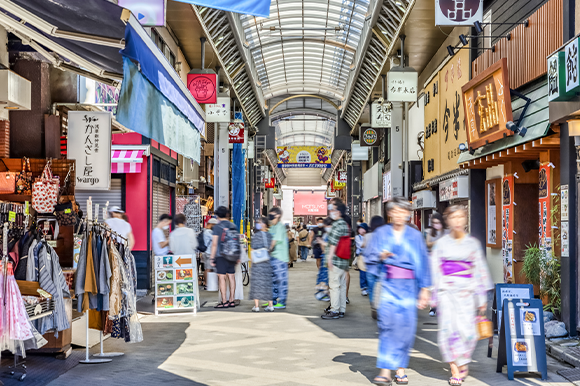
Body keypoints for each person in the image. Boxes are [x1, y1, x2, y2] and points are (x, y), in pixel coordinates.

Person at [366, 198, 431, 386]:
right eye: (395, 211)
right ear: (390, 213)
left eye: (404, 211)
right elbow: (369, 256)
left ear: (408, 213)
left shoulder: (415, 236)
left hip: (409, 288)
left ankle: (400, 368)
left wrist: (425, 289)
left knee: (405, 329)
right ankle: (385, 371)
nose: (400, 215)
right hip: (388, 284)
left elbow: (423, 262)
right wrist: (380, 255)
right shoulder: (381, 233)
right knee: (386, 326)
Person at [431, 206, 492, 385]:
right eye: (453, 217)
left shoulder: (472, 244)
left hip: (466, 293)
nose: (457, 221)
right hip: (447, 293)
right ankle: (454, 369)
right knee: (448, 332)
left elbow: (479, 270)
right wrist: (433, 293)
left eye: (461, 217)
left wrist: (481, 299)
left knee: (467, 333)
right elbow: (435, 269)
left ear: (465, 219)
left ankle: (463, 360)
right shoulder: (441, 244)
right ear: (447, 220)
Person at [321, 203, 350, 320]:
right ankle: (342, 309)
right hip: (344, 260)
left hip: (336, 260)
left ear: (338, 211)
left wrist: (329, 259)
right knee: (342, 285)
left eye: (332, 209)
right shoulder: (344, 224)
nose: (330, 212)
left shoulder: (337, 224)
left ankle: (334, 310)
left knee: (334, 286)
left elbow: (333, 243)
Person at [210, 206, 238, 309]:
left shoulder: (217, 227)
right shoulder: (233, 225)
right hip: (232, 254)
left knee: (222, 278)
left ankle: (224, 301)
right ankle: (232, 300)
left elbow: (214, 244)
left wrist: (212, 258)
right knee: (231, 277)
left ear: (217, 215)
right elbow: (237, 241)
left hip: (220, 256)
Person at [169, 214, 199, 309]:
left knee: (179, 281)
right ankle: (193, 301)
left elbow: (172, 248)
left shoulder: (172, 234)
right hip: (190, 260)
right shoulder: (190, 232)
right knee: (191, 281)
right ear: (184, 221)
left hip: (178, 260)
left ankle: (180, 302)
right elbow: (194, 245)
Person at [250, 217, 274, 312]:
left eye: (259, 222)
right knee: (267, 284)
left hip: (257, 264)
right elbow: (272, 249)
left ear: (264, 224)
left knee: (256, 284)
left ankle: (256, 306)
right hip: (267, 263)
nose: (258, 224)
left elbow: (252, 250)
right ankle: (270, 305)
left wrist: (252, 262)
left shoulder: (256, 236)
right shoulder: (270, 236)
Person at [268, 207, 289, 309]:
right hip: (273, 257)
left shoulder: (280, 227)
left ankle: (282, 301)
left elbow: (273, 242)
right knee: (273, 281)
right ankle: (273, 300)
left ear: (278, 216)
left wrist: (266, 251)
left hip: (280, 258)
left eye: (272, 216)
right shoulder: (272, 227)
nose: (270, 218)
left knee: (281, 280)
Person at [426, 212, 446, 317]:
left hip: (444, 262)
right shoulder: (431, 232)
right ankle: (433, 307)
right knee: (434, 286)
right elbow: (428, 243)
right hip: (433, 261)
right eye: (434, 223)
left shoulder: (447, 232)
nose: (436, 225)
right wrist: (438, 242)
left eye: (438, 223)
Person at [363, 216, 385, 306]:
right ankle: (381, 306)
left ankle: (374, 306)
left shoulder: (368, 236)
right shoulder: (385, 236)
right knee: (381, 288)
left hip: (370, 266)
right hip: (381, 266)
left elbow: (366, 252)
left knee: (372, 289)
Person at [314, 217, 333, 302]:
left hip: (330, 258)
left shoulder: (331, 234)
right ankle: (326, 293)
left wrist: (323, 244)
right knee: (325, 275)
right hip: (326, 257)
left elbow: (331, 246)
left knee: (328, 277)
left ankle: (327, 293)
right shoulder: (327, 234)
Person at [202, 218, 219, 290]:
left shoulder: (204, 231)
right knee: (208, 269)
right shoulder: (208, 232)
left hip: (206, 252)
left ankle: (208, 284)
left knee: (208, 268)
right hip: (209, 252)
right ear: (211, 224)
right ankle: (207, 284)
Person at [355, 223, 369, 296]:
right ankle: (363, 288)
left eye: (362, 228)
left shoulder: (368, 236)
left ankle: (368, 287)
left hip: (369, 257)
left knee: (368, 273)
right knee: (362, 273)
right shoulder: (357, 237)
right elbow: (361, 245)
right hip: (361, 257)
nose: (361, 230)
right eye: (360, 228)